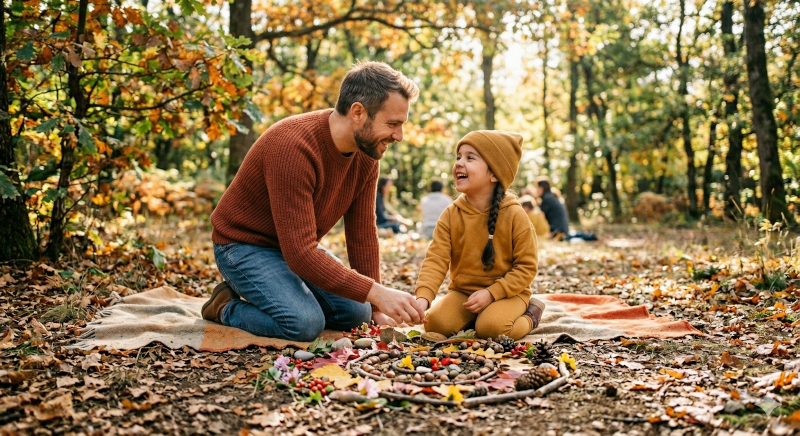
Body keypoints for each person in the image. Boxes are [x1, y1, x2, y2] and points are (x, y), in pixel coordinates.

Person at [203, 61, 427, 341]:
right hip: (242, 246)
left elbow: (362, 235)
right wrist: (377, 292)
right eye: (392, 124)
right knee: (304, 323)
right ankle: (224, 307)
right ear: (358, 112)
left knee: (358, 312)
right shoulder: (292, 147)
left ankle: (286, 295)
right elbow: (301, 254)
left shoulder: (367, 154)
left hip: (292, 246)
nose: (399, 136)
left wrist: (375, 305)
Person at [413, 131, 545, 340]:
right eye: (458, 157)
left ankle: (531, 315)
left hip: (508, 293)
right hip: (464, 293)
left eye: (470, 158)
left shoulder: (515, 214)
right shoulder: (450, 214)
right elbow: (436, 260)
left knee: (492, 329)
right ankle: (476, 318)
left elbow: (526, 267)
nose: (459, 163)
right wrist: (423, 297)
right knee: (435, 324)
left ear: (494, 174)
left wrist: (492, 293)